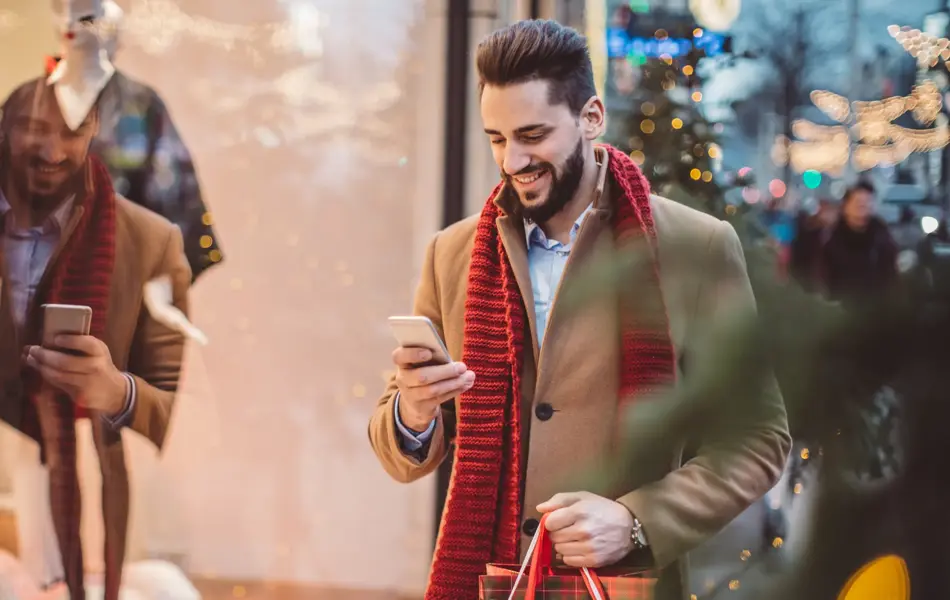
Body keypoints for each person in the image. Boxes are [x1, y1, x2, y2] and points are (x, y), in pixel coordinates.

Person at [368, 20, 790, 599]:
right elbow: (404, 450)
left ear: (591, 117)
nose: (512, 160)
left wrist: (638, 520)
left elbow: (758, 437)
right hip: (486, 582)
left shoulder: (697, 246)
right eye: (496, 138)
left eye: (533, 134)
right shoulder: (454, 254)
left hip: (624, 585)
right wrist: (413, 414)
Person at [0, 76, 190, 600]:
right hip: (22, 430)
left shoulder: (153, 240)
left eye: (71, 130)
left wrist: (119, 392)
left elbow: (168, 393)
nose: (51, 149)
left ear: (94, 131)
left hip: (106, 435)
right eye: (33, 130)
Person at [44, 0, 224, 281]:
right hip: (29, 285)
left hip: (119, 276)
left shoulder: (140, 105)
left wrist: (159, 281)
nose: (73, 25)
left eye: (86, 18)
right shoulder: (24, 105)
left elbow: (170, 194)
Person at [820, 182, 898, 303]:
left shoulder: (883, 238)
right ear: (845, 206)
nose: (863, 205)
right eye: (857, 202)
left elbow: (891, 277)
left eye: (867, 201)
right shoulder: (831, 240)